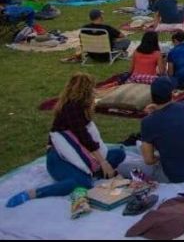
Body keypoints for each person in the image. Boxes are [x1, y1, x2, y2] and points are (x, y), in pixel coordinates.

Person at [6, 74, 126, 208]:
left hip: (83, 154)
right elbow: (85, 139)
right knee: (83, 183)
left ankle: (92, 172)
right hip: (61, 158)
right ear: (86, 91)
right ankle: (33, 193)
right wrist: (103, 162)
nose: (94, 92)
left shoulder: (80, 106)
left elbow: (85, 140)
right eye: (92, 89)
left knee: (119, 154)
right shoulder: (72, 109)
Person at [118, 77, 184, 183]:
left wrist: (160, 160)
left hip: (174, 175)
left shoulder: (148, 122)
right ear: (172, 93)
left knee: (121, 167)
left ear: (151, 96)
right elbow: (171, 122)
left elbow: (149, 160)